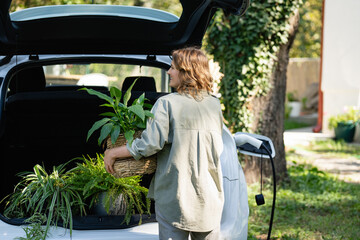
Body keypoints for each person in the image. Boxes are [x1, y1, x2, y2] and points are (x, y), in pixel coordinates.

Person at [103, 47, 224, 240]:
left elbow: (149, 144)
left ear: (186, 71)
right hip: (209, 200)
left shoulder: (166, 103)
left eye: (172, 67)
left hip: (175, 198)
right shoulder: (214, 104)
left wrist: (113, 153)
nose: (168, 71)